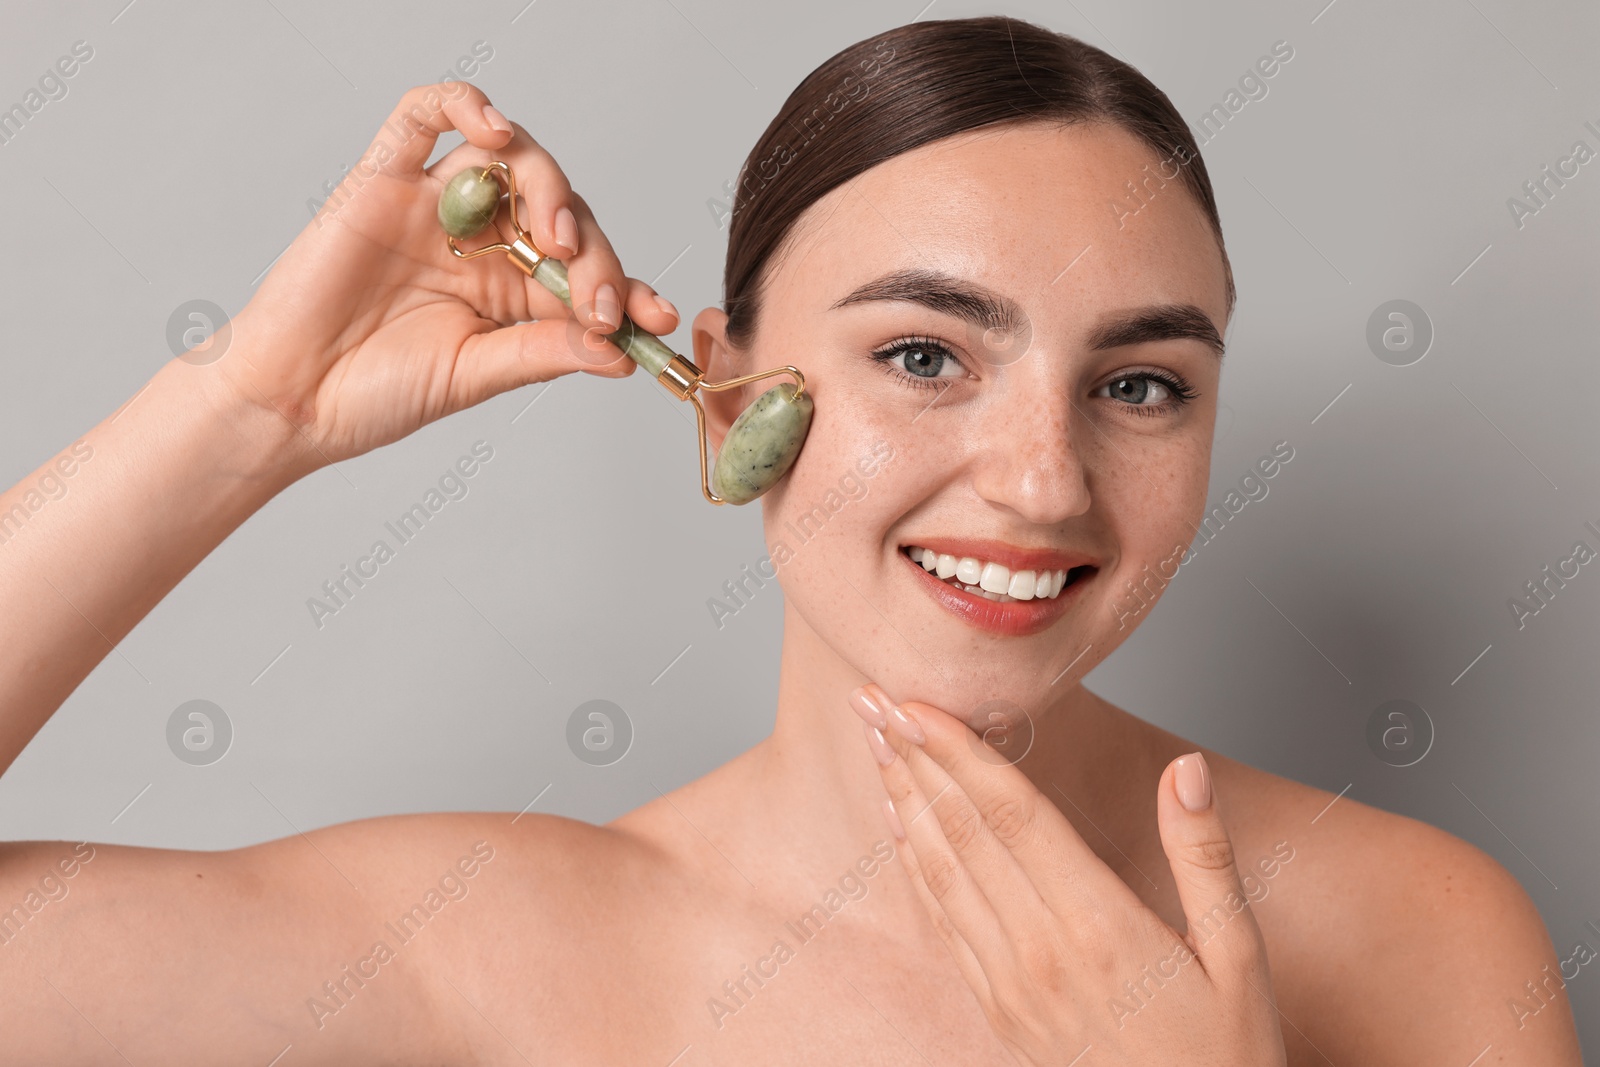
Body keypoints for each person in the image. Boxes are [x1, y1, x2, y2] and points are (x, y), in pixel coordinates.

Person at [0, 15, 1581, 1065]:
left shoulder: (1416, 935)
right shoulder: (482, 950)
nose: (1044, 483)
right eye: (922, 355)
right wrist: (248, 413)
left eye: (1142, 384)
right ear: (723, 399)